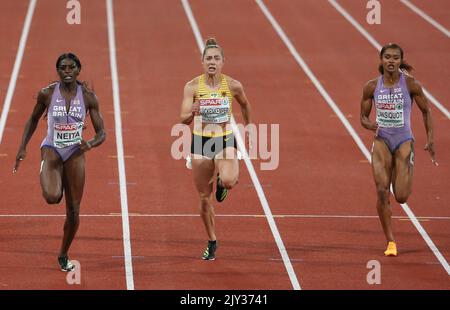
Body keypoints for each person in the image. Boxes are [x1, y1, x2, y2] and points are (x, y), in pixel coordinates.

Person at [13, 53, 106, 271]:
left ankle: (63, 253)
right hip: (52, 149)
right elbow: (33, 119)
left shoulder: (89, 97)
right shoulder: (47, 94)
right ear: (58, 71)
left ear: (78, 70)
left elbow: (102, 133)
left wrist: (90, 144)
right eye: (62, 67)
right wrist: (22, 146)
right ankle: (49, 173)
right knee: (52, 196)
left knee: (73, 212)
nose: (66, 71)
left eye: (71, 67)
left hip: (75, 152)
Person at [360, 43, 437, 257]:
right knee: (382, 190)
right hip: (382, 141)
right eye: (387, 57)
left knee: (401, 196)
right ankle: (391, 241)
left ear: (400, 60)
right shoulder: (371, 86)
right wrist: (368, 125)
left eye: (395, 57)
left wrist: (430, 139)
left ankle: (398, 170)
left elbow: (426, 111)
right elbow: (363, 117)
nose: (391, 61)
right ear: (381, 60)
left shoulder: (411, 84)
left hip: (403, 141)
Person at [180, 38, 252, 260]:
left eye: (216, 58)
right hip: (201, 143)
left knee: (230, 180)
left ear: (223, 62)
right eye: (208, 58)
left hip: (224, 140)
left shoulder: (233, 85)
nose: (212, 62)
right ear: (202, 62)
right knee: (204, 198)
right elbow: (182, 119)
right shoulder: (192, 86)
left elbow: (245, 104)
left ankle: (222, 182)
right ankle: (212, 240)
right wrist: (192, 111)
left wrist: (247, 128)